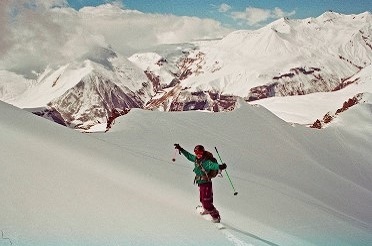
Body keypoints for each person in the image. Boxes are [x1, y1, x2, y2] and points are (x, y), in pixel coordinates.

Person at [174, 144, 227, 223]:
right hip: (201, 182)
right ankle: (206, 210)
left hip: (206, 183)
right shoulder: (196, 159)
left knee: (206, 201)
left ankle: (216, 216)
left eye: (200, 153)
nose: (198, 155)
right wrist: (181, 149)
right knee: (202, 199)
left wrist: (220, 167)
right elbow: (189, 156)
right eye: (196, 153)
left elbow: (213, 165)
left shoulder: (206, 162)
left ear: (203, 152)